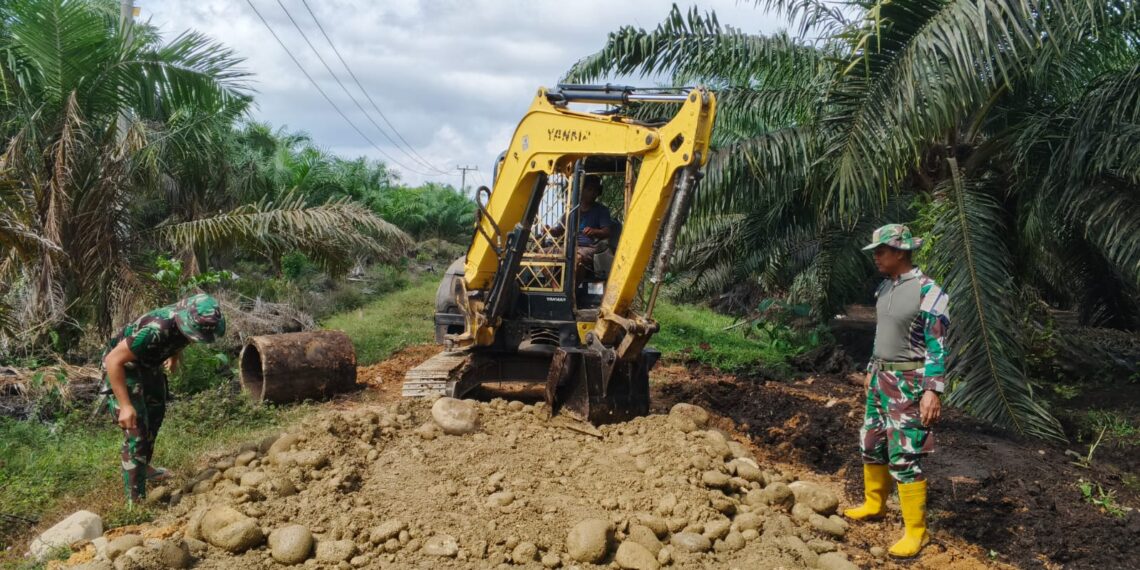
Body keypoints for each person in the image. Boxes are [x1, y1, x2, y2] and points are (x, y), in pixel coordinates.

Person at [843, 224, 949, 558]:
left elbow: (938, 345)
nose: (876, 257)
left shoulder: (928, 291)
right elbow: (882, 337)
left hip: (910, 383)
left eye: (881, 251)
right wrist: (871, 373)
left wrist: (933, 390)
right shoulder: (884, 288)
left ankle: (916, 532)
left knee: (905, 455)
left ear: (900, 252)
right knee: (871, 443)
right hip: (880, 380)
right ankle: (874, 504)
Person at [101, 293, 226, 502]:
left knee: (156, 414)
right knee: (137, 432)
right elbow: (112, 359)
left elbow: (179, 338)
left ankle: (145, 467)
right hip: (125, 367)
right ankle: (136, 501)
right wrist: (125, 405)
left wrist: (173, 356)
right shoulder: (155, 331)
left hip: (149, 365)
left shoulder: (188, 320)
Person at [573, 175, 615, 277]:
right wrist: (551, 230)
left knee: (577, 259)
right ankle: (556, 288)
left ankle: (571, 292)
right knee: (542, 254)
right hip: (570, 247)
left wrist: (594, 231)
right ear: (582, 190)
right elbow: (561, 229)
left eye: (596, 191)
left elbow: (607, 232)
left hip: (590, 247)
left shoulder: (601, 210)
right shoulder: (572, 210)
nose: (593, 193)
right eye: (590, 189)